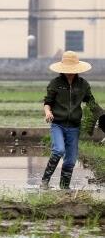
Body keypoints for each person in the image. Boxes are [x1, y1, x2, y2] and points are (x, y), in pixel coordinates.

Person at [41, 51, 98, 189]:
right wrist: (48, 112)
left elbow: (91, 102)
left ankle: (64, 188)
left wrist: (100, 114)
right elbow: (47, 102)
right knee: (58, 150)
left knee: (70, 161)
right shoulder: (55, 83)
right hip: (58, 124)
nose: (70, 72)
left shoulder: (83, 85)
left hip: (74, 127)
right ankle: (44, 182)